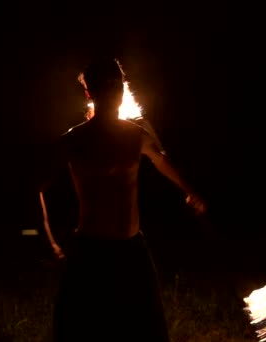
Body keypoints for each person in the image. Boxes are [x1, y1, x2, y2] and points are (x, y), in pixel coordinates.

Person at [37, 57, 206, 342]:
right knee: (80, 330)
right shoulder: (74, 140)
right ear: (90, 92)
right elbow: (36, 185)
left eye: (117, 84)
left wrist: (190, 190)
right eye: (105, 85)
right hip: (90, 252)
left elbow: (162, 161)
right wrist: (48, 239)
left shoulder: (135, 134)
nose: (113, 91)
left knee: (147, 331)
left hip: (132, 250)